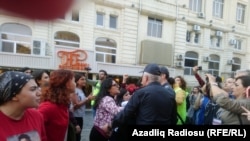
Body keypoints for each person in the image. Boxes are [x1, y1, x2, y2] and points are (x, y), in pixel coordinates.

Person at [111, 63, 177, 128]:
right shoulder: (169, 94)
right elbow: (173, 119)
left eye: (142, 77)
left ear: (146, 78)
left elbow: (125, 114)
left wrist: (110, 125)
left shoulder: (141, 93)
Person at [0, 71, 47, 141]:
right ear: (14, 96)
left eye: (38, 88)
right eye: (33, 89)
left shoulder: (37, 116)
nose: (40, 93)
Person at [38, 69, 76, 141]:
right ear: (67, 84)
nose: (75, 83)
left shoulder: (62, 104)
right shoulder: (48, 107)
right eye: (74, 81)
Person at [72, 73, 93, 141]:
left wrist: (89, 98)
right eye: (82, 79)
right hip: (75, 117)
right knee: (75, 136)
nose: (84, 81)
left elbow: (82, 103)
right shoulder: (74, 90)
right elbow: (76, 105)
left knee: (79, 136)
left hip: (80, 116)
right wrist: (87, 99)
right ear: (77, 81)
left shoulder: (82, 90)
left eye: (84, 79)